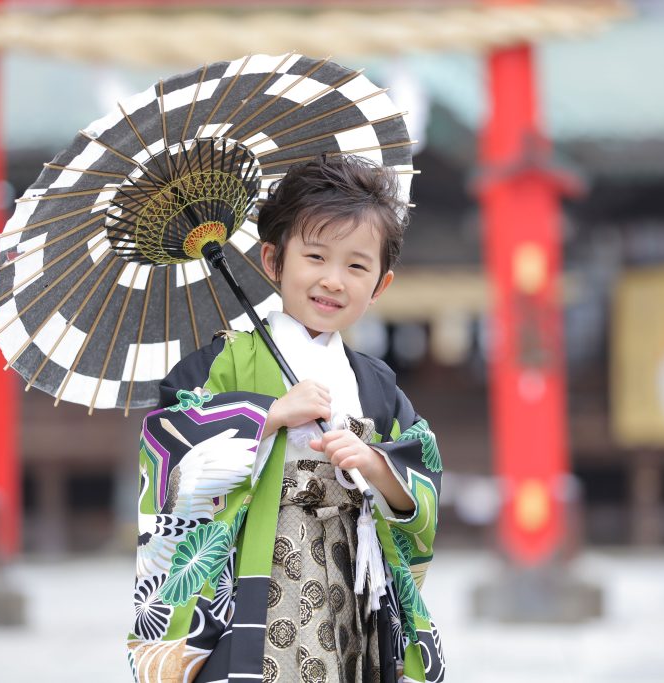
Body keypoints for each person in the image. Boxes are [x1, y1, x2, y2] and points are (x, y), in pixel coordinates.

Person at [127, 155, 444, 683]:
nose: (333, 280)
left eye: (357, 266)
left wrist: (375, 465)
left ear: (381, 286)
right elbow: (166, 456)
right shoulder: (221, 365)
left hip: (351, 579)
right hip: (254, 581)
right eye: (315, 257)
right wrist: (267, 415)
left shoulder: (376, 383)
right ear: (273, 261)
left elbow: (422, 471)